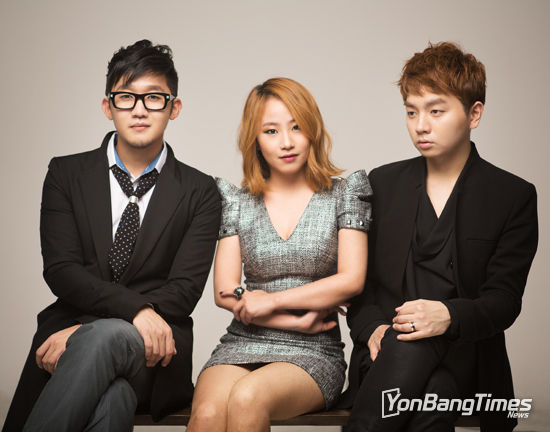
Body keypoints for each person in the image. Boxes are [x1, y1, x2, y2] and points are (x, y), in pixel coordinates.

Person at [2, 39, 221, 432]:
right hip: (70, 332)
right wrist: (132, 311)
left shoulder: (200, 190)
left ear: (174, 107)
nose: (139, 109)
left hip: (155, 349)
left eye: (154, 97)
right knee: (113, 398)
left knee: (102, 340)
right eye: (126, 97)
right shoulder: (66, 174)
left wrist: (86, 333)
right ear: (108, 106)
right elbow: (62, 270)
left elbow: (184, 291)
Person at [343, 42, 538, 432]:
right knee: (430, 389)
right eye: (411, 112)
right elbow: (362, 286)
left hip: (468, 358)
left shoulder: (512, 195)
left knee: (431, 379)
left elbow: (504, 301)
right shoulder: (383, 183)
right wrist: (375, 329)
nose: (421, 125)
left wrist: (448, 316)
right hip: (388, 354)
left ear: (474, 113)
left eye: (436, 111)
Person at [187, 77, 371, 431]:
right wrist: (290, 321)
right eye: (271, 131)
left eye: (296, 127)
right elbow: (225, 290)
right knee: (207, 415)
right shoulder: (237, 201)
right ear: (254, 139)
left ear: (313, 130)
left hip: (314, 350)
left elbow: (351, 280)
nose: (286, 142)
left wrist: (271, 302)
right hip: (243, 341)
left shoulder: (344, 193)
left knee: (247, 397)